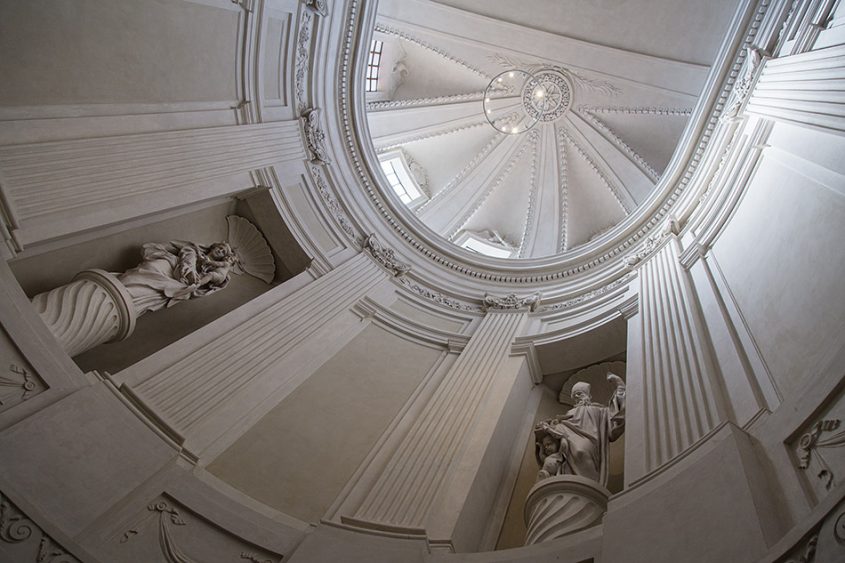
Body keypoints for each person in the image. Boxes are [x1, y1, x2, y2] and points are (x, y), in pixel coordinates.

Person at [534, 372, 626, 485]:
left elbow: (615, 415)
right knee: (570, 454)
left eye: (580, 393)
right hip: (569, 440)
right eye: (576, 395)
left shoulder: (598, 410)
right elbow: (562, 428)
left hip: (591, 442)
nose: (578, 396)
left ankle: (589, 485)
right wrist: (548, 428)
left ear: (588, 395)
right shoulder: (570, 413)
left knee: (582, 451)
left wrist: (620, 387)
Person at [118, 240, 238, 316]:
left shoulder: (211, 270)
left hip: (179, 283)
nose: (220, 251)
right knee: (151, 267)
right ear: (213, 247)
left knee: (155, 292)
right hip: (173, 266)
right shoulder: (194, 250)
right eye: (220, 247)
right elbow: (185, 253)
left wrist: (195, 279)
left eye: (223, 252)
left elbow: (213, 278)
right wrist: (189, 268)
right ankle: (122, 287)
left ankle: (130, 300)